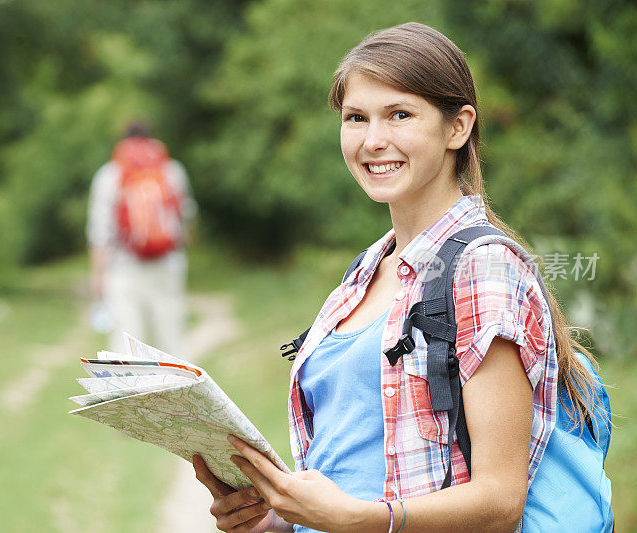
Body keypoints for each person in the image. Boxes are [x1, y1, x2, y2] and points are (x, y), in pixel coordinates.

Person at [192, 22, 604, 532]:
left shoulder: (483, 267)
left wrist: (362, 519)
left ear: (458, 127)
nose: (373, 140)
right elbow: (350, 479)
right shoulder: (365, 272)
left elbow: (500, 503)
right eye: (355, 118)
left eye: (399, 115)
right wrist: (271, 521)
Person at [86, 121, 196, 356]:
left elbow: (100, 232)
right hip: (167, 265)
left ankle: (129, 391)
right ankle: (180, 391)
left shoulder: (110, 175)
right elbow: (186, 217)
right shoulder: (171, 170)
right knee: (172, 340)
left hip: (124, 269)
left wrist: (97, 278)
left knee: (127, 344)